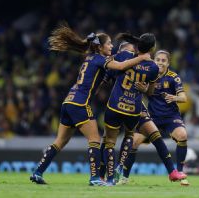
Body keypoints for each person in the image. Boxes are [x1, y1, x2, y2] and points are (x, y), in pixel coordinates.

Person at [29, 25, 150, 186]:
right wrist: (142, 58)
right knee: (95, 139)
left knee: (60, 141)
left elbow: (105, 74)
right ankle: (94, 178)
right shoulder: (100, 59)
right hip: (80, 103)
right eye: (108, 44)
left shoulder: (90, 58)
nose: (111, 46)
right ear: (100, 47)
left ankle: (38, 172)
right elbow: (121, 66)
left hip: (68, 101)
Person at [101, 33, 185, 185]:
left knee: (114, 140)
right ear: (152, 48)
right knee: (130, 139)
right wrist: (145, 87)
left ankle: (109, 176)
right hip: (134, 107)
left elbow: (109, 69)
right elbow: (150, 91)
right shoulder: (151, 67)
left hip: (122, 105)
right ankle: (114, 174)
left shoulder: (123, 56)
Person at [119, 50, 189, 186]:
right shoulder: (149, 75)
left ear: (168, 63)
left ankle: (180, 173)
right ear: (154, 61)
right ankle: (124, 178)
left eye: (163, 60)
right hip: (152, 118)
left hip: (170, 117)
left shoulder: (174, 77)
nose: (160, 63)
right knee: (133, 142)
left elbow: (184, 98)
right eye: (158, 60)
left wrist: (175, 97)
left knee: (182, 135)